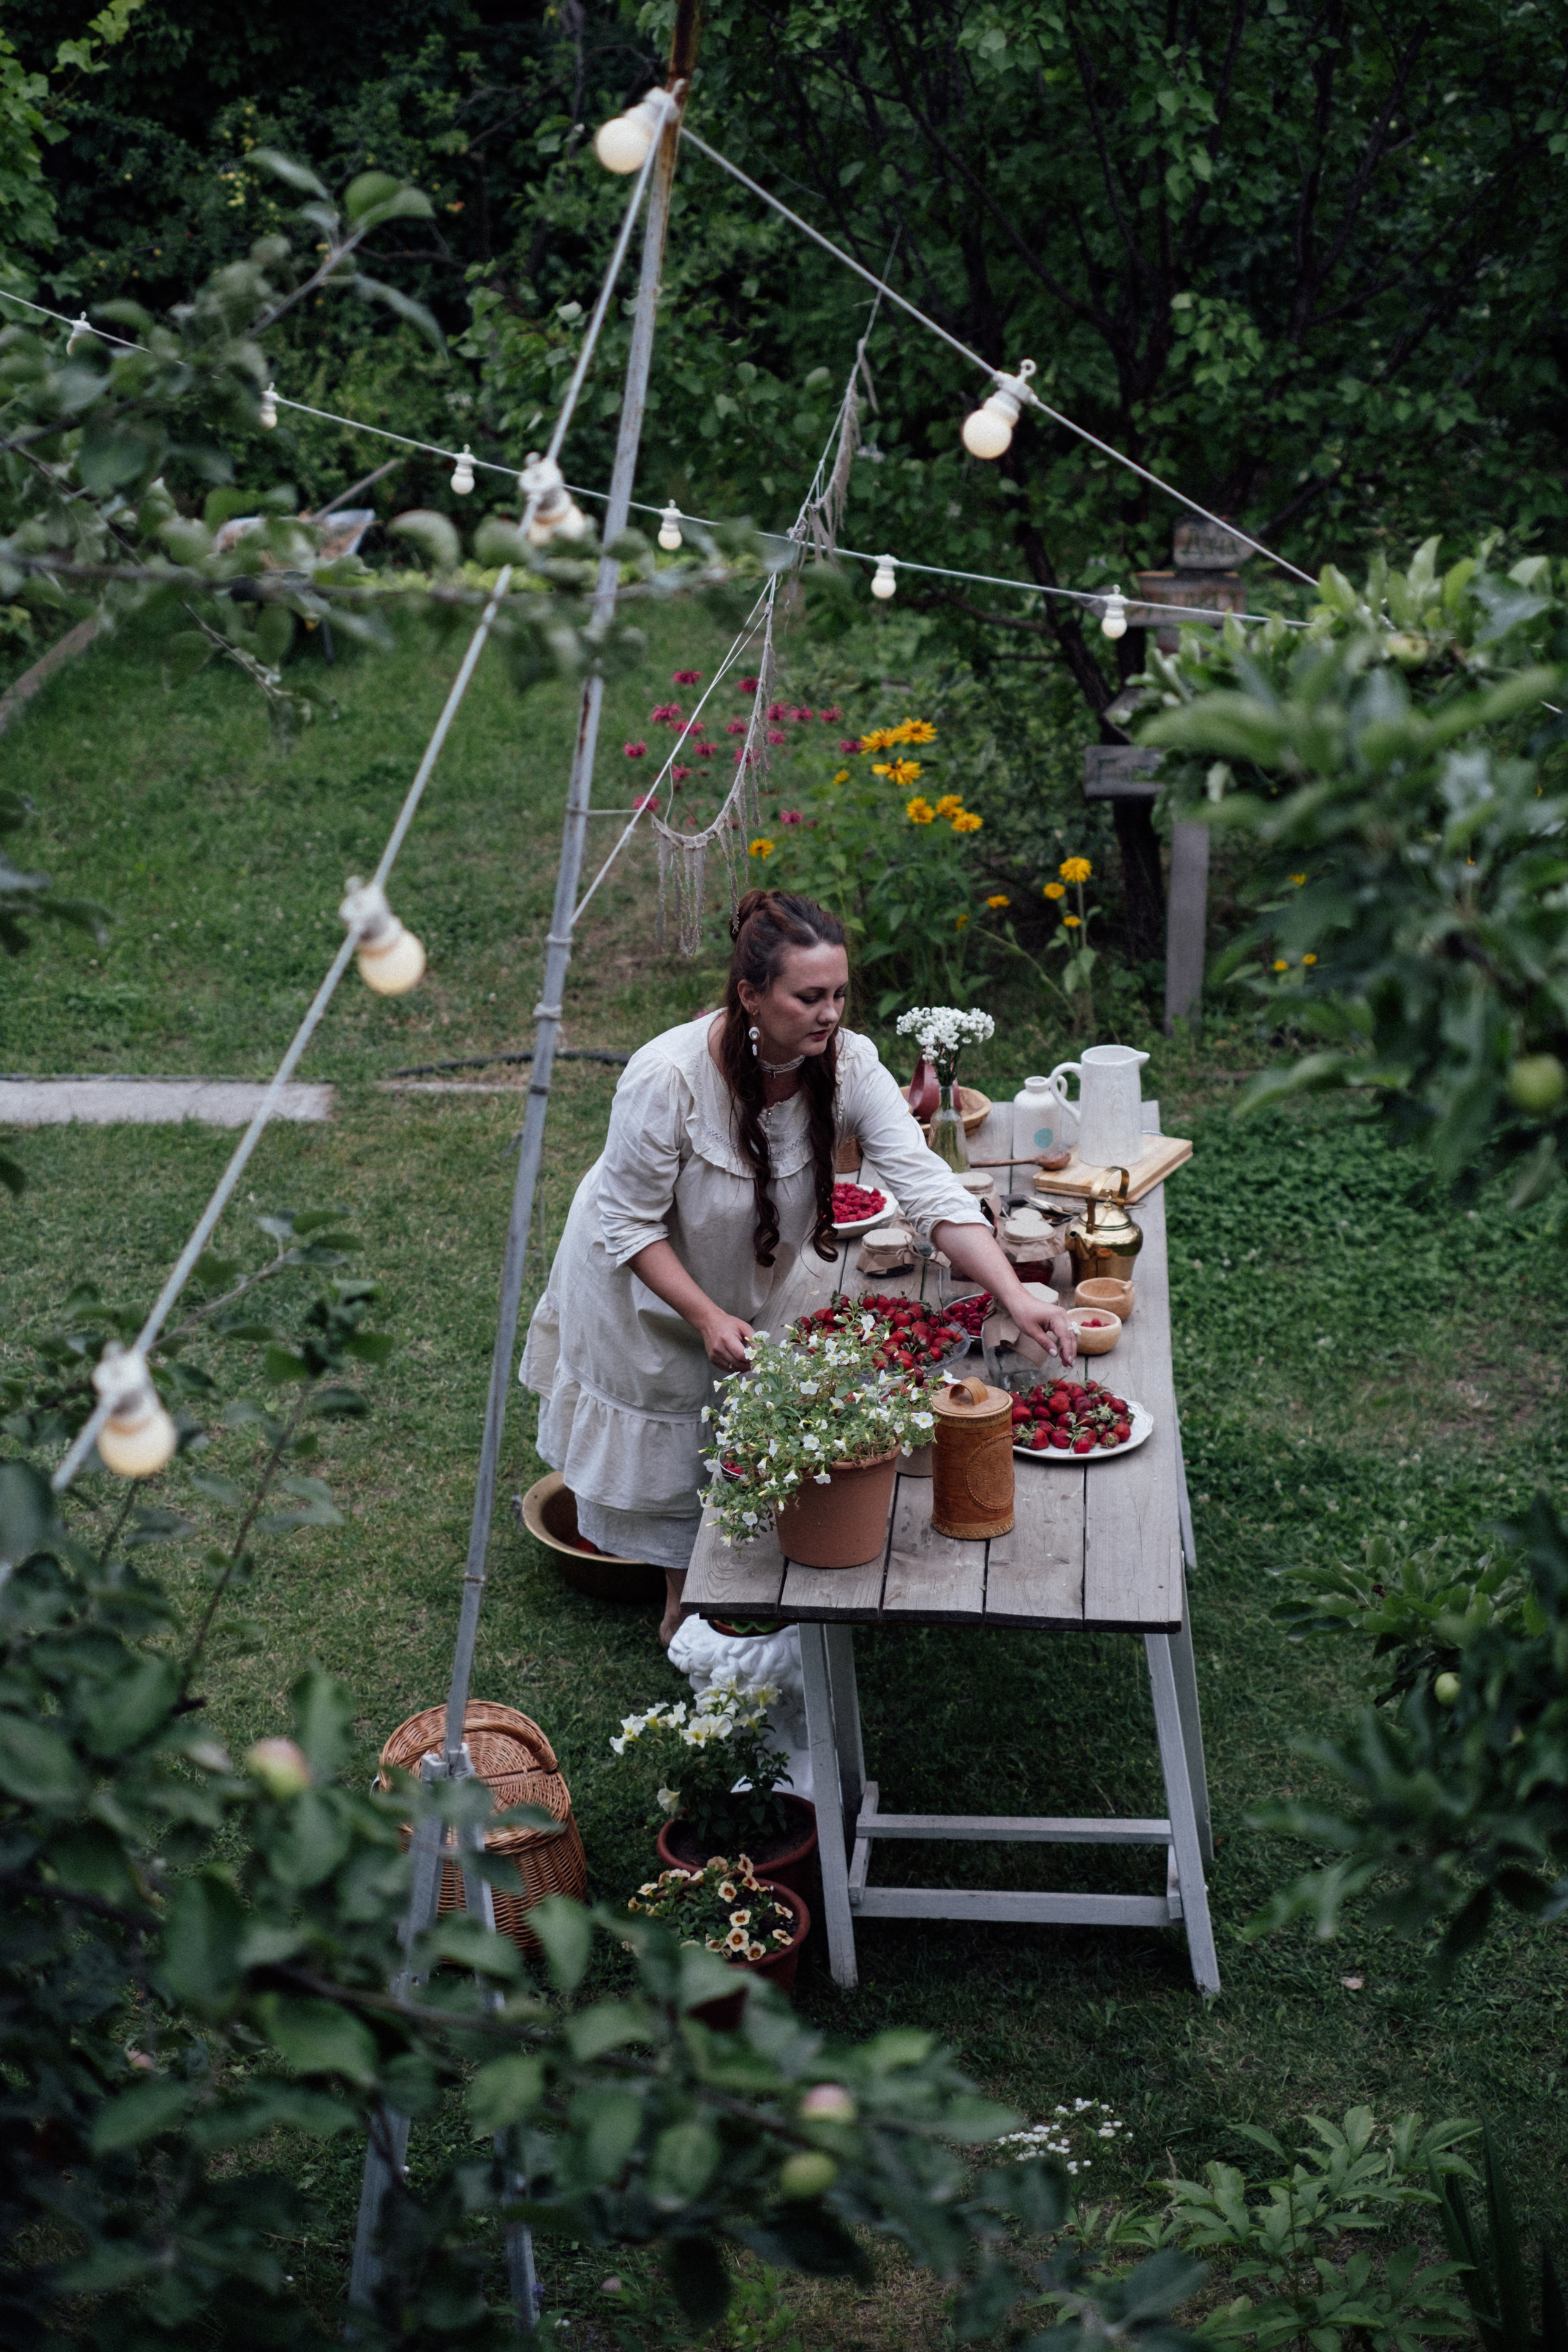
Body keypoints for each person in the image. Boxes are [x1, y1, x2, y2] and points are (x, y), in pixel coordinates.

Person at [521, 888, 1076, 1645]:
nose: (830, 1013)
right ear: (751, 995)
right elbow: (627, 1222)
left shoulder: (847, 1065)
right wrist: (707, 1315)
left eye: (839, 994)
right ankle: (682, 1614)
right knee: (673, 1431)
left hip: (734, 1267)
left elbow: (926, 1188)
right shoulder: (669, 1080)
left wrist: (1016, 1292)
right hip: (639, 1274)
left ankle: (740, 1596)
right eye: (808, 996)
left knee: (733, 1413)